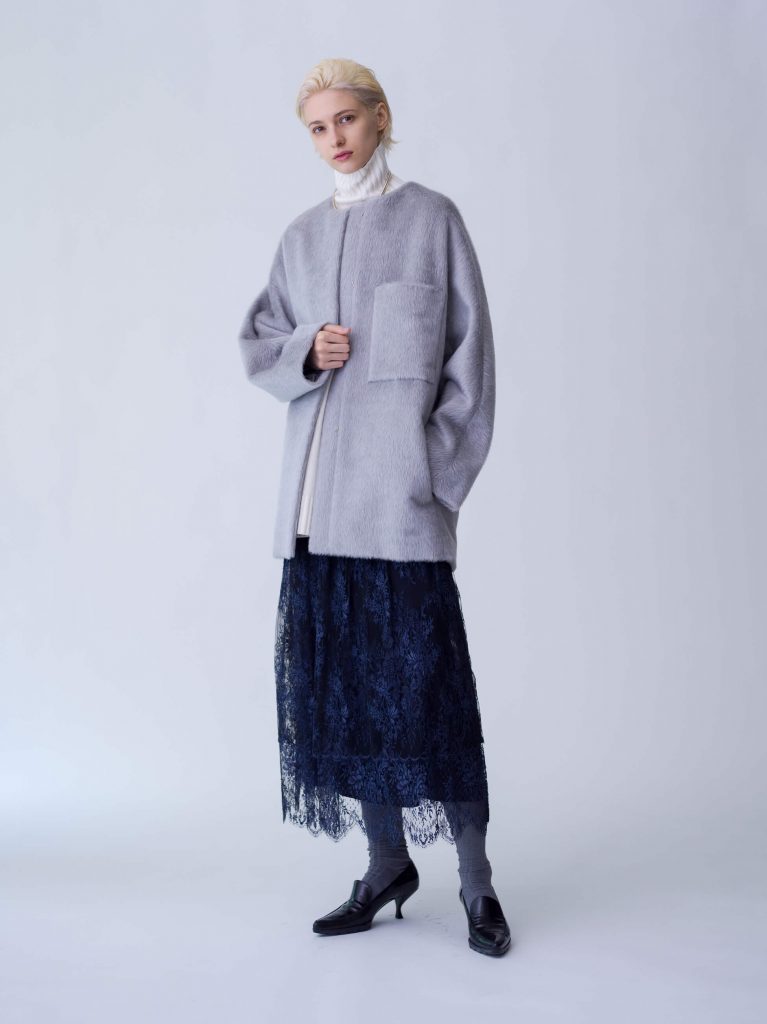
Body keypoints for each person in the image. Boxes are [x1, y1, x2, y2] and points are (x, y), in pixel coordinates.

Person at [237, 57, 511, 957]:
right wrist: (304, 352)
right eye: (317, 128)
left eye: (346, 119)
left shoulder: (432, 221)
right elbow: (259, 342)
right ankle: (386, 864)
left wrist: (428, 479)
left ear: (381, 117)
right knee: (349, 704)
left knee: (433, 703)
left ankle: (476, 881)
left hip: (397, 515)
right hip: (316, 517)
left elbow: (470, 369)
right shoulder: (300, 238)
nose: (334, 139)